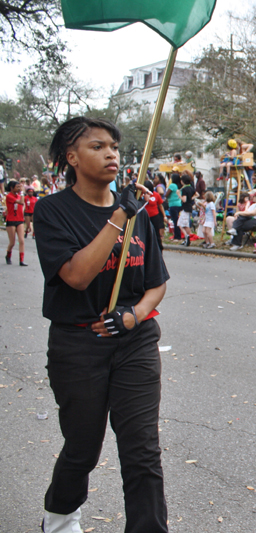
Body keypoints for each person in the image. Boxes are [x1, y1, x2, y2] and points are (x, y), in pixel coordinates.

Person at [36, 116, 169, 533]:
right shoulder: (52, 211)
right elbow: (76, 276)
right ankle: (60, 519)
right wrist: (117, 217)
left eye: (114, 145)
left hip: (134, 343)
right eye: (97, 146)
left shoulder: (138, 213)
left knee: (142, 451)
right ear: (71, 157)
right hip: (78, 348)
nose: (111, 153)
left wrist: (133, 315)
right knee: (82, 447)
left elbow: (156, 284)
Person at [5, 180, 26, 265]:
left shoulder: (18, 196)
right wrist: (22, 193)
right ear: (11, 188)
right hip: (11, 220)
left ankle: (21, 260)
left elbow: (22, 204)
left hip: (19, 220)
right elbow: (21, 202)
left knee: (21, 240)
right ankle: (8, 255)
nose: (18, 188)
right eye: (17, 187)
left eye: (19, 187)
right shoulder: (9, 196)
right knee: (12, 242)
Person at [143, 179, 167, 251]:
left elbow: (160, 205)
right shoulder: (141, 195)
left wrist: (164, 216)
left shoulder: (156, 195)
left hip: (155, 216)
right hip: (145, 217)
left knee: (156, 233)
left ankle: (159, 248)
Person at [165, 172, 182, 241]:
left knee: (175, 221)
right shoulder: (179, 185)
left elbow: (167, 194)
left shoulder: (172, 185)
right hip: (178, 204)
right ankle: (177, 235)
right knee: (177, 220)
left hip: (172, 204)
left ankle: (177, 236)